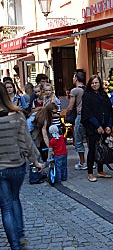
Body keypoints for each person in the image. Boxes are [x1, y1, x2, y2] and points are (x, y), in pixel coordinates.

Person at [0, 82, 43, 249]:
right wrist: (35, 161)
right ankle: (21, 234)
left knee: (6, 207)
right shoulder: (17, 116)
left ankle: (15, 246)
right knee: (15, 199)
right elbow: (26, 143)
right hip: (16, 166)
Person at [81, 75, 113, 182]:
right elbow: (87, 113)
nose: (94, 85)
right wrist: (97, 126)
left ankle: (100, 170)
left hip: (104, 126)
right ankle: (90, 172)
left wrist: (109, 125)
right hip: (93, 127)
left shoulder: (104, 95)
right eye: (92, 83)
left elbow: (110, 111)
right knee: (92, 150)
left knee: (102, 148)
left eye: (96, 82)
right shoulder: (87, 95)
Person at [66, 71, 87, 170]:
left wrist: (66, 115)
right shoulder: (87, 89)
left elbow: (70, 106)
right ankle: (92, 161)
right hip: (89, 116)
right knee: (90, 139)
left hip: (80, 116)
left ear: (76, 78)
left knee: (78, 140)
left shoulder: (75, 90)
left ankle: (82, 162)